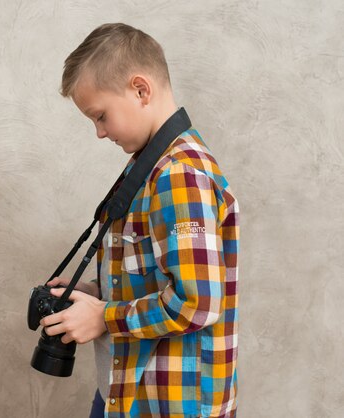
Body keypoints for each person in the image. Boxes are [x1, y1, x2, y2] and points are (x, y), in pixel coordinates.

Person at [39, 23, 239, 418]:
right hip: (128, 391)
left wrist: (103, 316)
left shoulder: (179, 175)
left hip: (169, 405)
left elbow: (197, 302)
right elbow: (153, 273)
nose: (99, 133)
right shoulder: (149, 168)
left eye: (101, 116)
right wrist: (93, 291)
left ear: (140, 90)